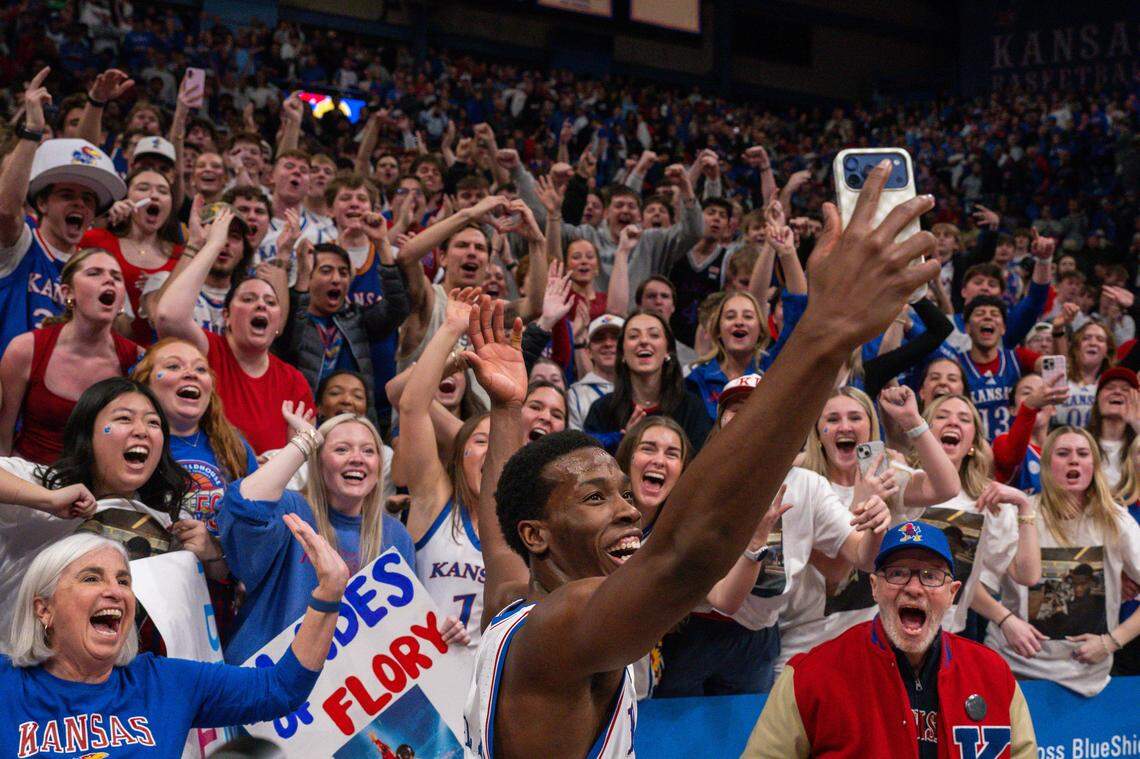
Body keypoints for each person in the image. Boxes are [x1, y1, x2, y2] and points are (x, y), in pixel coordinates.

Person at [462, 163, 940, 757]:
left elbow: (498, 540)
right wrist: (825, 329)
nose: (628, 511)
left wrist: (506, 409)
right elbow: (684, 556)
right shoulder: (562, 629)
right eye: (594, 497)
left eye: (621, 492)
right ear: (540, 534)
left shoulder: (512, 598)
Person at [0, 526, 347, 756]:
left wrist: (328, 594)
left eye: (123, 581)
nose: (114, 592)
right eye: (92, 578)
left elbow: (280, 688)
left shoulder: (164, 682)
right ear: (44, 609)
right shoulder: (7, 684)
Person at [743, 521, 1037, 758]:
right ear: (874, 587)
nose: (913, 588)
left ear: (952, 593)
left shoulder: (993, 674)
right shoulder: (811, 675)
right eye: (897, 574)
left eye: (930, 576)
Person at [218, 402, 417, 665]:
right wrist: (305, 440)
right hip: (262, 680)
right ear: (318, 462)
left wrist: (442, 632)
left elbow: (401, 626)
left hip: (339, 694)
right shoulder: (291, 509)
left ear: (379, 467)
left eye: (369, 451)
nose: (357, 458)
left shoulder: (396, 536)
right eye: (341, 449)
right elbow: (244, 504)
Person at [780, 385, 960, 666]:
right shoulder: (804, 484)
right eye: (832, 419)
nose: (844, 426)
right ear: (817, 433)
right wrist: (860, 502)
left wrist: (912, 422)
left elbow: (947, 486)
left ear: (870, 428)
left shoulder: (886, 477)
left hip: (875, 635)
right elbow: (834, 577)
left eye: (855, 418)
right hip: (810, 636)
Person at [0, 377, 195, 619]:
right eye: (124, 418)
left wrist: (212, 556)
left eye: (153, 423)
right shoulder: (43, 484)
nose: (142, 431)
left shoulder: (171, 519)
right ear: (87, 433)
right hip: (16, 653)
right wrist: (46, 499)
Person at [984, 426, 1140, 696]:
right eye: (1063, 453)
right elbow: (970, 583)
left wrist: (1112, 641)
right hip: (1014, 668)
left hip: (1087, 676)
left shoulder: (1115, 519)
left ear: (1094, 465)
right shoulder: (1016, 514)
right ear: (1046, 465)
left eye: (1083, 453)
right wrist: (1005, 619)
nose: (1074, 460)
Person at [154, 209, 313, 454]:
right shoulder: (207, 353)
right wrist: (213, 244)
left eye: (271, 303)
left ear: (277, 323)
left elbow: (306, 456)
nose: (261, 304)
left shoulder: (293, 382)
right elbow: (167, 316)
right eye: (248, 298)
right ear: (226, 316)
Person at [0, 70, 126, 356]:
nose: (79, 205)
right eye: (67, 195)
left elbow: (82, 155)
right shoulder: (22, 243)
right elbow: (6, 211)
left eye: (87, 199)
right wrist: (32, 129)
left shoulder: (97, 267)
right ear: (41, 204)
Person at [398, 288, 491, 655]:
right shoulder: (435, 501)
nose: (492, 449)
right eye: (482, 440)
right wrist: (451, 329)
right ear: (460, 453)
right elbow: (412, 407)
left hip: (483, 693)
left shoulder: (523, 529)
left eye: (500, 443)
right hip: (416, 683)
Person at [916, 395, 1042, 643]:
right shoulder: (904, 482)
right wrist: (1004, 618)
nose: (952, 422)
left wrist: (1024, 506)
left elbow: (1027, 575)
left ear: (972, 443)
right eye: (941, 416)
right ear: (922, 431)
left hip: (950, 633)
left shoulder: (986, 500)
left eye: (964, 419)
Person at [0, 248, 142, 462]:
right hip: (28, 481)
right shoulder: (25, 349)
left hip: (98, 489)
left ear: (122, 301)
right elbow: (2, 438)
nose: (109, 281)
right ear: (68, 292)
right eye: (94, 273)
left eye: (116, 277)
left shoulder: (137, 360)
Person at [276, 238, 410, 400]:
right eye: (326, 271)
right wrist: (302, 274)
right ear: (309, 277)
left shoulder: (357, 320)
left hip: (355, 419)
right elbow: (288, 340)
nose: (336, 279)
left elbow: (397, 310)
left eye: (343, 273)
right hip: (305, 421)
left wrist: (382, 244)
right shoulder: (289, 322)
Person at [583, 310, 712, 453]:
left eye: (654, 335)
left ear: (668, 350)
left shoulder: (692, 408)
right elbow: (589, 464)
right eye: (633, 336)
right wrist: (624, 441)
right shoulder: (601, 410)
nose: (644, 341)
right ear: (622, 354)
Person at [82, 168, 183, 345]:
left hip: (159, 359)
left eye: (163, 191)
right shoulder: (96, 239)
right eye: (143, 188)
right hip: (103, 350)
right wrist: (102, 217)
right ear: (125, 199)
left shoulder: (182, 256)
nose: (154, 195)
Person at [1084, 367, 1140, 490]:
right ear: (1097, 399)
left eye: (1125, 389)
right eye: (1109, 387)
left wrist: (1137, 424)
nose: (1117, 392)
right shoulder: (1080, 442)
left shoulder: (1138, 444)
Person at [567, 315, 623, 430]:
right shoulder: (575, 394)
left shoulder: (639, 388)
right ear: (588, 352)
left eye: (615, 338)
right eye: (599, 338)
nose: (608, 343)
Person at [1055, 321, 1114, 428]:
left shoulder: (1112, 385)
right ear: (1076, 348)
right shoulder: (1059, 378)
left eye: (1100, 339)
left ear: (1107, 351)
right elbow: (1060, 350)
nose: (1093, 343)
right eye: (1086, 338)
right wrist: (1058, 329)